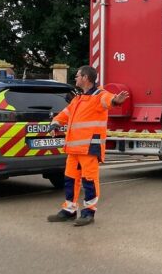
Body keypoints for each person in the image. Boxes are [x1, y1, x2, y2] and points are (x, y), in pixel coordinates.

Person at [47, 65, 129, 226]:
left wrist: (115, 101)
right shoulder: (78, 99)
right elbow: (65, 114)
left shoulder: (100, 95)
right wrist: (55, 123)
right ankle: (69, 210)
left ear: (85, 78)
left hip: (89, 148)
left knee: (89, 180)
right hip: (73, 149)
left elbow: (109, 100)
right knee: (70, 179)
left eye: (77, 75)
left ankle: (88, 213)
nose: (76, 78)